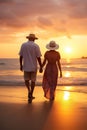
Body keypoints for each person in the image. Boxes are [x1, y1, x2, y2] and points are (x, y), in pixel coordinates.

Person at [19, 33, 42, 103]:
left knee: (26, 80)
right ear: (34, 39)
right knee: (33, 81)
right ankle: (31, 93)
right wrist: (41, 66)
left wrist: (21, 65)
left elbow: (21, 56)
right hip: (33, 66)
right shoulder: (36, 46)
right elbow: (38, 57)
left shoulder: (23, 45)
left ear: (28, 38)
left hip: (26, 66)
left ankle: (28, 91)